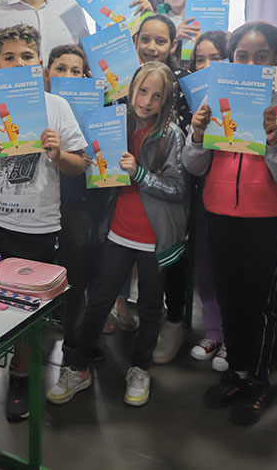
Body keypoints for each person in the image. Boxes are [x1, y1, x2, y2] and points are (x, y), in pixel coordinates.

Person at [0, 24, 87, 421]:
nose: (17, 63)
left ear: (40, 65)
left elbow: (79, 166)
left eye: (26, 57)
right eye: (8, 57)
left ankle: (21, 375)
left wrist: (58, 154)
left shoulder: (57, 107)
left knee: (28, 312)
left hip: (38, 229)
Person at [47, 61, 187, 408]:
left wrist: (140, 172)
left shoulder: (171, 134)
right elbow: (93, 167)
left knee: (152, 307)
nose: (147, 101)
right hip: (118, 232)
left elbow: (176, 189)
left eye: (157, 96)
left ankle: (140, 368)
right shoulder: (114, 124)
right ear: (131, 88)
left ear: (166, 99)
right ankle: (77, 367)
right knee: (99, 301)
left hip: (156, 238)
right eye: (142, 91)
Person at [186, 21, 277, 426]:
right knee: (230, 299)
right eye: (242, 57)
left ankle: (259, 380)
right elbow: (193, 165)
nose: (251, 64)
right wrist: (197, 135)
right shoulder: (214, 106)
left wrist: (274, 142)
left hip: (268, 221)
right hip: (219, 215)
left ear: (276, 61)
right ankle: (235, 371)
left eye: (261, 57)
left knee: (260, 306)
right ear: (231, 60)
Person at [132, 13, 190, 364]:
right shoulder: (122, 80)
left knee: (172, 255)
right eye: (146, 39)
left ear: (173, 46)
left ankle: (174, 319)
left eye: (161, 41)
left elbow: (179, 134)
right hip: (130, 187)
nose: (152, 47)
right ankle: (132, 308)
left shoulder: (182, 82)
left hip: (170, 180)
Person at [43, 44, 106, 360]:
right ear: (47, 74)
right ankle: (45, 331)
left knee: (77, 269)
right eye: (61, 69)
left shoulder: (96, 109)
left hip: (78, 197)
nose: (68, 76)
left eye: (76, 71)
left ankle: (73, 339)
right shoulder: (37, 108)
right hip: (41, 203)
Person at [185, 30, 228, 370]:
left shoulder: (250, 99)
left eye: (215, 57)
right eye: (200, 59)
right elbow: (193, 161)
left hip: (245, 202)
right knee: (209, 267)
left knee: (237, 271)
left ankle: (233, 337)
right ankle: (213, 332)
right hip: (206, 195)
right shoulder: (193, 100)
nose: (207, 65)